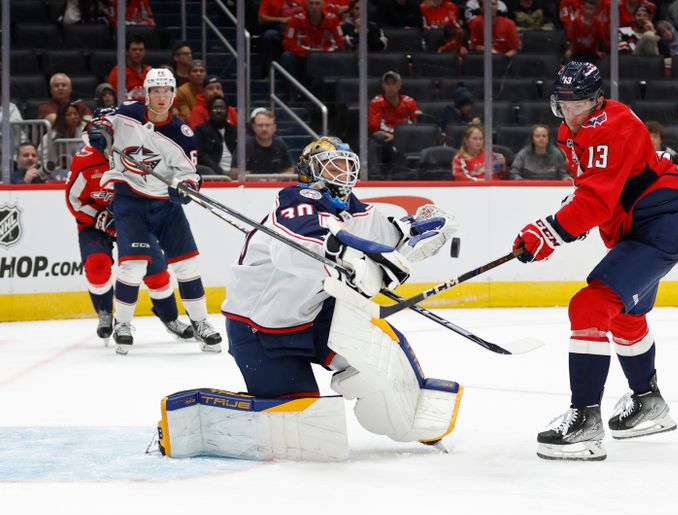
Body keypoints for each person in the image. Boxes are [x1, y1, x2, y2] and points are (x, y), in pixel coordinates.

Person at [169, 136, 462, 460]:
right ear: (310, 171)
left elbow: (391, 235)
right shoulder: (297, 200)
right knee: (302, 428)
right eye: (332, 165)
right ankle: (209, 418)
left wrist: (423, 228)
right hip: (259, 331)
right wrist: (359, 256)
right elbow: (298, 250)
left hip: (316, 318)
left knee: (377, 359)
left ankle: (411, 414)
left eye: (347, 165)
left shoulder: (353, 208)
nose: (343, 173)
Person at [513, 62, 678, 461]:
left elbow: (596, 200)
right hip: (635, 227)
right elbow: (595, 189)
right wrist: (567, 222)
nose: (570, 115)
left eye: (579, 105)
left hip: (658, 227)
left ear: (596, 101)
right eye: (563, 105)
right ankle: (649, 402)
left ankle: (585, 421)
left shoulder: (613, 125)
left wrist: (549, 231)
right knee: (625, 316)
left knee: (590, 305)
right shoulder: (570, 131)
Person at [88, 68, 222, 355]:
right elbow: (99, 121)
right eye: (155, 91)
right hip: (130, 200)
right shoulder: (126, 113)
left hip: (165, 204)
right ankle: (122, 324)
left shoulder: (182, 133)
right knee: (133, 266)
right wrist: (98, 132)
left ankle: (200, 322)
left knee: (188, 266)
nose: (161, 97)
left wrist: (184, 187)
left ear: (174, 94)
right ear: (146, 95)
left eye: (166, 91)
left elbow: (191, 175)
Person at [65, 120, 195, 347]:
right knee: (97, 265)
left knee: (157, 272)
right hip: (95, 223)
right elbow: (73, 199)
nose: (104, 144)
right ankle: (105, 312)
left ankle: (171, 319)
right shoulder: (84, 161)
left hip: (133, 222)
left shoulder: (136, 153)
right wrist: (98, 217)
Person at [367, 70, 419, 176]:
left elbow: (415, 126)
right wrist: (393, 136)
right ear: (383, 86)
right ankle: (374, 173)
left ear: (399, 85)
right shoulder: (376, 102)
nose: (391, 87)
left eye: (393, 83)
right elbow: (374, 127)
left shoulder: (410, 102)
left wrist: (397, 137)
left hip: (405, 139)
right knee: (376, 137)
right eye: (387, 84)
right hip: (385, 139)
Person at [279, 0, 345, 81]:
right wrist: (308, 53)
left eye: (317, 3)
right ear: (306, 5)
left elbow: (340, 41)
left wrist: (326, 52)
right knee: (287, 56)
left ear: (322, 5)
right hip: (303, 55)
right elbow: (287, 43)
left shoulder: (332, 19)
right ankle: (291, 92)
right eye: (311, 3)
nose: (314, 6)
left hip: (326, 56)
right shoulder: (296, 19)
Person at [40, 102, 89, 177]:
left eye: (76, 114)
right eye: (69, 115)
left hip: (80, 171)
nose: (73, 117)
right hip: (55, 172)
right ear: (62, 118)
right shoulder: (51, 136)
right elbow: (43, 156)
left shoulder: (84, 133)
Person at [194, 96, 238, 178]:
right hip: (213, 174)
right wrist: (220, 172)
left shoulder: (234, 130)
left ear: (227, 111)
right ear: (209, 111)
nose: (218, 111)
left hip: (235, 172)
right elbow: (202, 156)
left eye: (222, 108)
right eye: (215, 108)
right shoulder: (200, 131)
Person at [243, 108, 294, 176]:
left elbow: (290, 171)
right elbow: (234, 173)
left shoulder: (281, 144)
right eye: (260, 125)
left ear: (274, 127)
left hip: (275, 185)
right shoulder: (245, 146)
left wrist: (278, 177)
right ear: (254, 127)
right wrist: (253, 178)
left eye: (267, 125)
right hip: (251, 186)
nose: (264, 129)